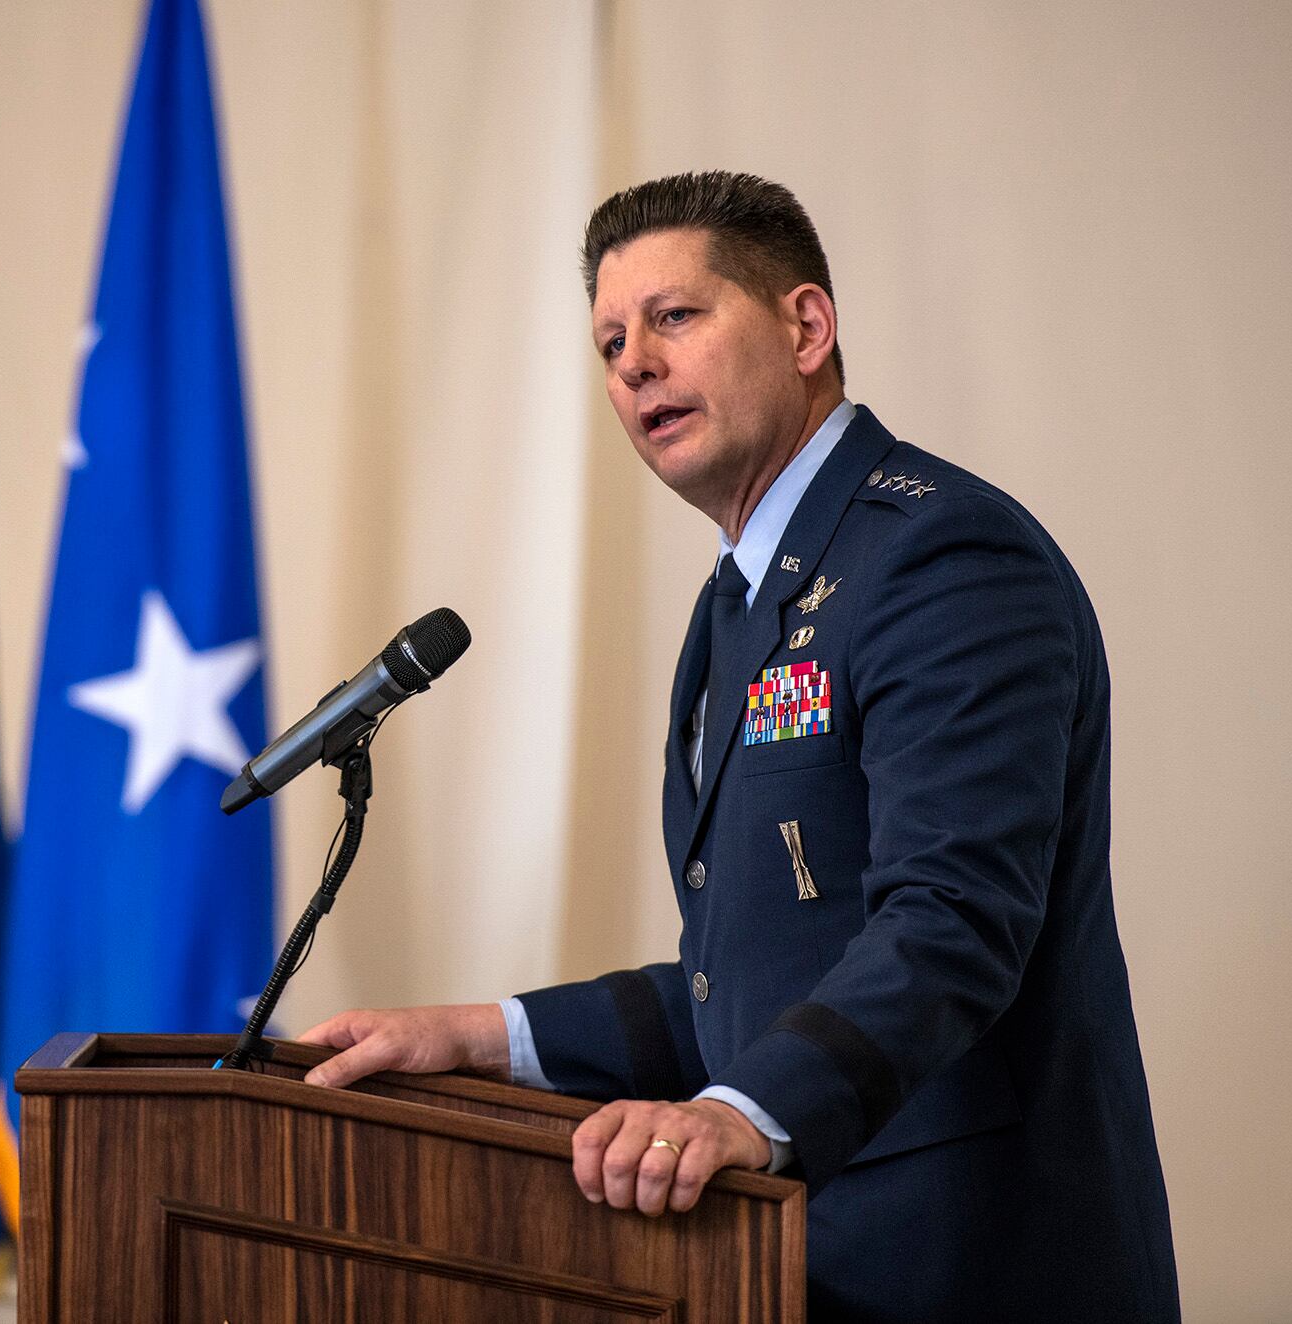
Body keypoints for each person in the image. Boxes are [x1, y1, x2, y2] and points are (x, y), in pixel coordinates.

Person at [298, 171, 1180, 1321]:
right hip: (796, 1268)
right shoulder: (738, 606)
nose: (631, 364)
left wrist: (739, 1111)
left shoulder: (942, 556)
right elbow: (752, 980)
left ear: (804, 326)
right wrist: (482, 1035)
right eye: (610, 340)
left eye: (673, 317)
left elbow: (952, 920)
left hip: (973, 1266)